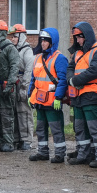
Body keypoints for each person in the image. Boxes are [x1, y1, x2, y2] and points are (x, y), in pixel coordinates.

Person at [67, 21, 97, 167]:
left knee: (95, 128)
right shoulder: (78, 53)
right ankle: (83, 155)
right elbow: (70, 67)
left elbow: (95, 71)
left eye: (80, 37)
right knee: (79, 128)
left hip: (92, 95)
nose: (77, 40)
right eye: (76, 37)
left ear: (86, 36)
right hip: (79, 95)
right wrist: (71, 80)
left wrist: (74, 80)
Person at [28, 28, 68, 163]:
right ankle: (42, 152)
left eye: (46, 40)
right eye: (42, 40)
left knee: (56, 129)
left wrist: (58, 98)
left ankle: (60, 154)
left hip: (52, 102)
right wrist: (29, 95)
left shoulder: (59, 58)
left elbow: (63, 80)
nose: (43, 43)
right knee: (40, 128)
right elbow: (33, 79)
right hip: (39, 100)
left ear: (52, 42)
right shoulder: (38, 57)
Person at [0, 20, 19, 152]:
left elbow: (15, 67)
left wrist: (10, 84)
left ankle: (9, 141)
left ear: (2, 33)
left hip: (5, 85)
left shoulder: (9, 48)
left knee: (7, 115)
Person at [9, 24, 35, 151]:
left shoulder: (27, 51)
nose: (12, 39)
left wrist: (25, 87)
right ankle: (16, 138)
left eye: (14, 36)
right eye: (12, 36)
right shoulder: (14, 49)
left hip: (22, 82)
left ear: (21, 36)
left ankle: (26, 140)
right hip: (15, 82)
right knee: (14, 112)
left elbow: (29, 70)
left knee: (24, 112)